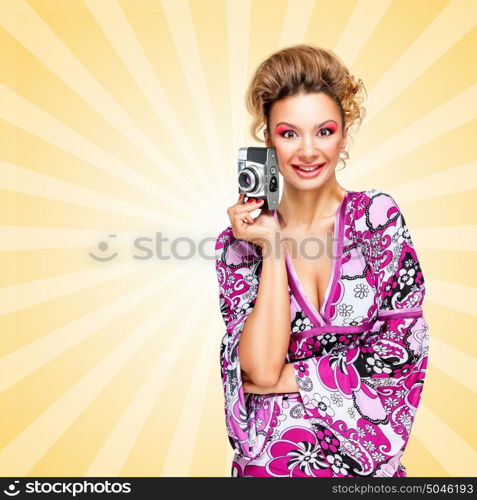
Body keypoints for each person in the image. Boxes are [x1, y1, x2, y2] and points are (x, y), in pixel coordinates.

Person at [214, 44, 429, 477]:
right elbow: (257, 367)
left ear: (344, 135)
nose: (308, 151)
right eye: (289, 133)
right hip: (269, 466)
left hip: (366, 468)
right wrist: (272, 249)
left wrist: (290, 380)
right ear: (268, 139)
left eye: (324, 131)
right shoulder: (239, 243)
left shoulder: (377, 219)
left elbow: (401, 352)